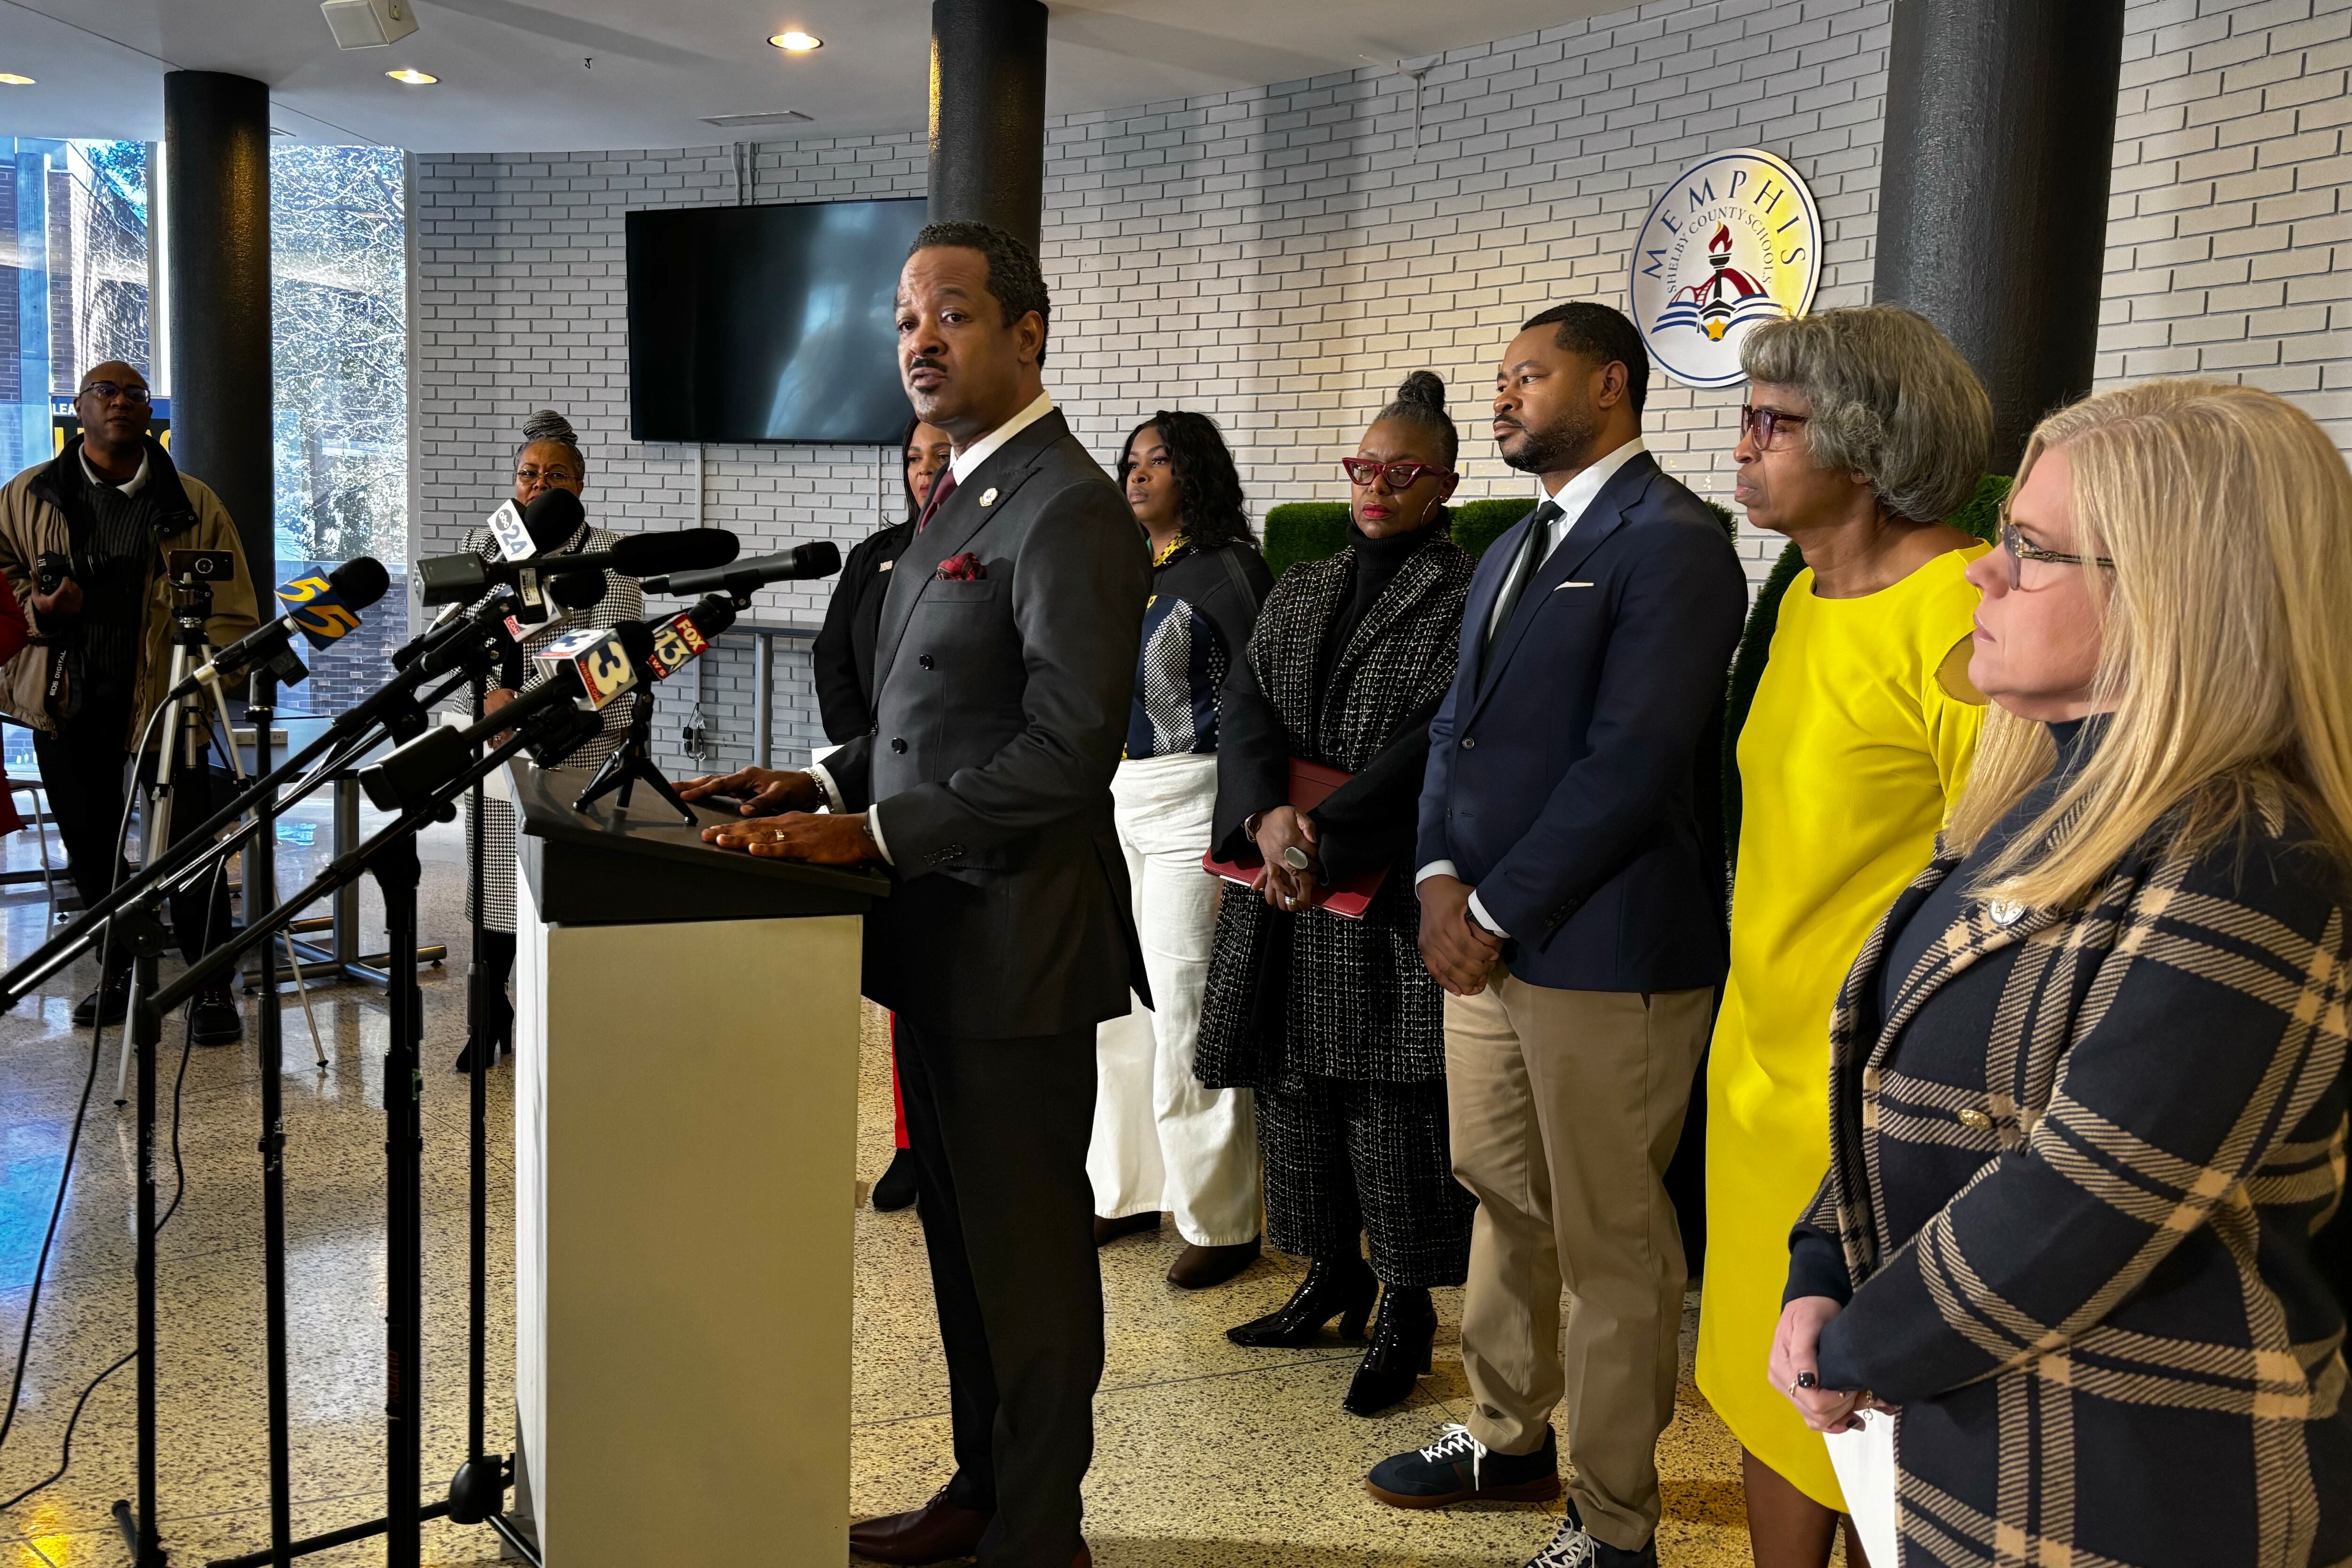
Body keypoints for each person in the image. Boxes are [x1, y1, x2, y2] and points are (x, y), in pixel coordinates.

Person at [1772, 379, 2352, 1568]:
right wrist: (1820, 1264)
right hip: (1975, 1441)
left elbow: (2086, 1195)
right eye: (2004, 535)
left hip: (2133, 1482)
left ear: (2178, 594)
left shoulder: (2254, 861)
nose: (1983, 576)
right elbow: (1887, 1080)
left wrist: (1862, 1343)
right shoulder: (2042, 799)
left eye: (2030, 551)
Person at [679, 220, 1149, 1568]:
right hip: (936, 937)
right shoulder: (960, 498)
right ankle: (981, 1484)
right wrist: (817, 777)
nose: (919, 341)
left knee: (1030, 1256)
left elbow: (1067, 748)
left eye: (950, 313)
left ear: (1026, 334)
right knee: (955, 1236)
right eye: (903, 319)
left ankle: (1043, 1527)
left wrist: (871, 832)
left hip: (1017, 946)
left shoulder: (1069, 505)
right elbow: (927, 711)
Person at [1367, 304, 1747, 1568]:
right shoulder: (1511, 545)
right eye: (1500, 378)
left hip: (1605, 947)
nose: (1505, 395)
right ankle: (1506, 1431)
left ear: (1611, 383)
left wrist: (1489, 905)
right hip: (1481, 942)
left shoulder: (1676, 543)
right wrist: (1431, 872)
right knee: (1505, 1198)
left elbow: (1632, 765)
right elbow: (1452, 734)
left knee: (1612, 1239)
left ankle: (1617, 1519)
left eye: (1530, 375)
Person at [1694, 307, 1994, 1568]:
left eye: (1775, 424)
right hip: (1756, 1062)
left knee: (1866, 1396)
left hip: (1870, 1089)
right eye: (1747, 416)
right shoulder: (1806, 594)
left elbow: (1997, 889)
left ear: (1868, 445)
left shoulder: (1958, 612)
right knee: (1765, 1374)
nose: (1744, 446)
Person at [1194, 371, 1478, 1416]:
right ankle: (1329, 1273)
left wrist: (1323, 833)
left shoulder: (1465, 593)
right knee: (1295, 1088)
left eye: (1402, 472)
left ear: (1443, 482)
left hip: (1383, 880)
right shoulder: (1303, 583)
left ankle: (1405, 1303)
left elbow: (1439, 740)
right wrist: (1268, 819)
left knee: (1390, 1102)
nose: (1377, 487)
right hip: (1283, 880)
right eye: (1363, 467)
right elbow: (1247, 707)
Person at [0, 360, 259, 1043]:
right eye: (104, 392)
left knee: (192, 848)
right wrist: (41, 609)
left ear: (151, 415)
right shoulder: (26, 496)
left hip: (169, 702)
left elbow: (235, 608)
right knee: (92, 850)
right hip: (67, 700)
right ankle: (115, 972)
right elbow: (1, 580)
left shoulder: (195, 503)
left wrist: (202, 677)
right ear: (78, 410)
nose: (120, 401)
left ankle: (210, 986)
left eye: (135, 394)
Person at [1088, 409, 1273, 1289]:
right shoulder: (1126, 568)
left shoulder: (1229, 571)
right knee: (1119, 1008)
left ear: (1194, 473)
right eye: (1130, 460)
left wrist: (1248, 826)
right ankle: (1123, 1191)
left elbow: (1265, 704)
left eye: (1159, 460)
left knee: (1187, 1009)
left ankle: (1221, 1216)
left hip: (1193, 801)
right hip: (1118, 797)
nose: (1138, 473)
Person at [449, 409, 644, 1073]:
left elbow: (612, 659)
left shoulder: (609, 556)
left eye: (553, 474)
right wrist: (484, 699)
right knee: (493, 894)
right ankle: (487, 1017)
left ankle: (559, 1028)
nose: (537, 484)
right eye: (528, 473)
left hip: (572, 749)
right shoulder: (485, 545)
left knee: (553, 894)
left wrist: (524, 696)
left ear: (578, 487)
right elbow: (453, 647)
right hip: (492, 743)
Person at [813, 413, 953, 1212]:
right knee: (897, 973)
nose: (924, 470)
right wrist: (861, 747)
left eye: (940, 456)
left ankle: (944, 1142)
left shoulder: (985, 550)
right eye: (913, 458)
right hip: (871, 780)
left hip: (942, 794)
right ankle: (908, 1141)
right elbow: (832, 654)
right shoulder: (875, 556)